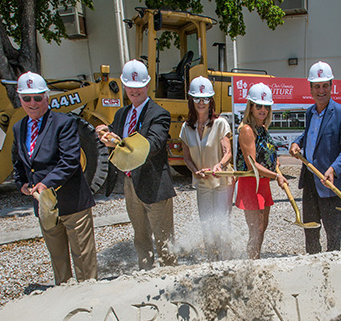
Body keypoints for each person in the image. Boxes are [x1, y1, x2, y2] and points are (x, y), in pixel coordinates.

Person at [12, 71, 98, 285]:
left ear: (46, 97)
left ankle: (89, 302)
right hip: (45, 207)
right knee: (58, 260)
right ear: (20, 99)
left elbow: (70, 160)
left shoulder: (64, 123)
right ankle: (65, 302)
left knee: (84, 263)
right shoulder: (19, 128)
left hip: (72, 202)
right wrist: (22, 184)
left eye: (38, 98)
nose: (33, 103)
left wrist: (46, 184)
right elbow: (19, 162)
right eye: (27, 98)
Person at [96, 59, 176, 270]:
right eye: (130, 86)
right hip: (131, 184)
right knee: (140, 238)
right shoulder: (122, 114)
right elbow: (113, 136)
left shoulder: (159, 114)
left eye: (138, 86)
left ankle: (170, 278)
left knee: (164, 241)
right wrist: (105, 134)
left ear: (147, 85)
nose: (134, 91)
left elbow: (154, 144)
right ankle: (145, 276)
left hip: (155, 185)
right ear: (124, 86)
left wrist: (119, 142)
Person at [289, 61, 341, 254]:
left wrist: (334, 169)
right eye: (317, 86)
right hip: (311, 179)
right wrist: (297, 143)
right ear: (310, 88)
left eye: (325, 85)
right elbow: (310, 135)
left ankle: (332, 269)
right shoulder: (311, 112)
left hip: (332, 183)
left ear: (331, 86)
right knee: (310, 229)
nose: (321, 90)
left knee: (332, 235)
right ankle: (313, 265)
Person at [179, 76, 234, 260]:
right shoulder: (186, 128)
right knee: (206, 225)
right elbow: (186, 158)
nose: (201, 103)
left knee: (221, 224)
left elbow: (228, 153)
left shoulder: (220, 124)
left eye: (205, 98)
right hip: (202, 183)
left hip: (221, 183)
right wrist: (195, 171)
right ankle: (212, 261)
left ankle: (225, 263)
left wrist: (219, 165)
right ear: (191, 100)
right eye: (197, 98)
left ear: (211, 100)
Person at [235, 83, 286, 259]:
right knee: (255, 230)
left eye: (266, 106)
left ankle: (255, 259)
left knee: (262, 227)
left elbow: (267, 154)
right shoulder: (247, 130)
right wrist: (277, 175)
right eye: (259, 105)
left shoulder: (263, 129)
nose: (263, 109)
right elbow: (252, 165)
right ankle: (252, 264)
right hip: (251, 183)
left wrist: (275, 161)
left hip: (263, 183)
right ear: (251, 106)